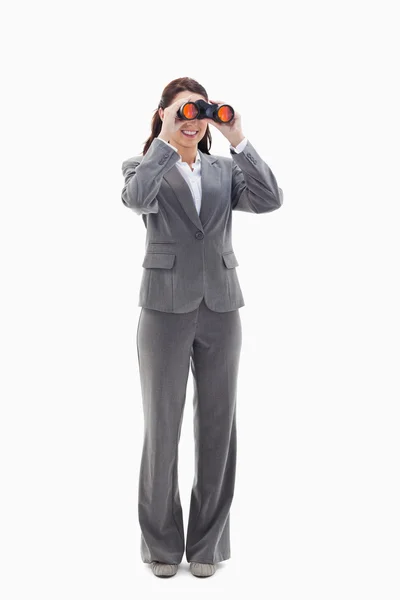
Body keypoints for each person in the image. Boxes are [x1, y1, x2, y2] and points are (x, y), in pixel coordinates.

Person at [120, 77, 283, 578]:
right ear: (166, 113)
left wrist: (238, 140)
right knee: (162, 427)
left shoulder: (222, 169)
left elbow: (270, 199)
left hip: (221, 307)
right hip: (164, 310)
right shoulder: (142, 166)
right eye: (182, 111)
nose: (193, 119)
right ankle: (162, 545)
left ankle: (208, 544)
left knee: (218, 427)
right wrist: (165, 141)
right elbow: (136, 199)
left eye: (200, 112)